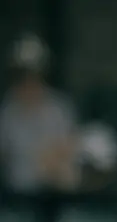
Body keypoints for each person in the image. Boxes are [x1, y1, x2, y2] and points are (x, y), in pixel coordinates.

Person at [0, 34, 75, 195]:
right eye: (20, 75)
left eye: (31, 74)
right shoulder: (7, 110)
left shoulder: (58, 110)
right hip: (15, 196)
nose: (26, 81)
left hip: (51, 195)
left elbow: (68, 154)